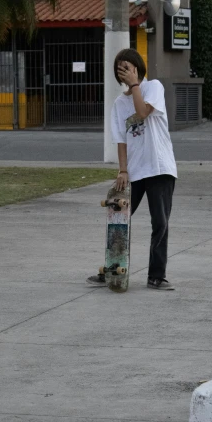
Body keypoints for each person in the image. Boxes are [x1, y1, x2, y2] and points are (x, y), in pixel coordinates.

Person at [87, 48, 177, 290]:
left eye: (128, 67)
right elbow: (122, 140)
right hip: (134, 172)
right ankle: (112, 270)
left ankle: (156, 276)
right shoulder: (119, 104)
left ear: (137, 67)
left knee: (160, 222)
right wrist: (123, 171)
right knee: (119, 219)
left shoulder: (154, 87)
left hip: (159, 168)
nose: (124, 72)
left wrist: (136, 85)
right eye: (120, 69)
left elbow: (142, 112)